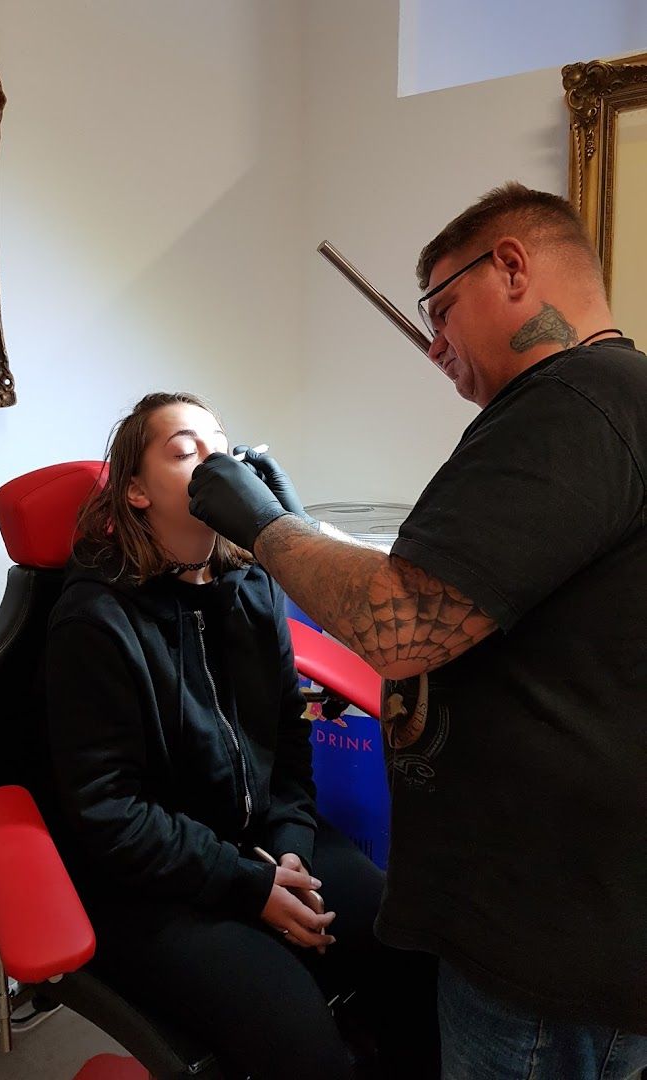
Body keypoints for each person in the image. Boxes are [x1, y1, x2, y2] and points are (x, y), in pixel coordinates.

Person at [188, 183, 647, 1080]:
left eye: (441, 310)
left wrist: (269, 531)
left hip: (544, 943)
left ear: (511, 265)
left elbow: (407, 627)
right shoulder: (616, 400)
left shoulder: (573, 408)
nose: (433, 344)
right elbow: (468, 587)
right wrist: (306, 539)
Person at [45, 391, 440, 1080]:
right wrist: (250, 884)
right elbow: (112, 816)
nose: (214, 460)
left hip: (268, 846)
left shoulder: (253, 586)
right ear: (136, 492)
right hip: (162, 885)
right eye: (185, 449)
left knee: (411, 952)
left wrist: (288, 851)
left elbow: (289, 747)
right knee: (303, 1048)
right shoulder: (96, 621)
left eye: (220, 445)